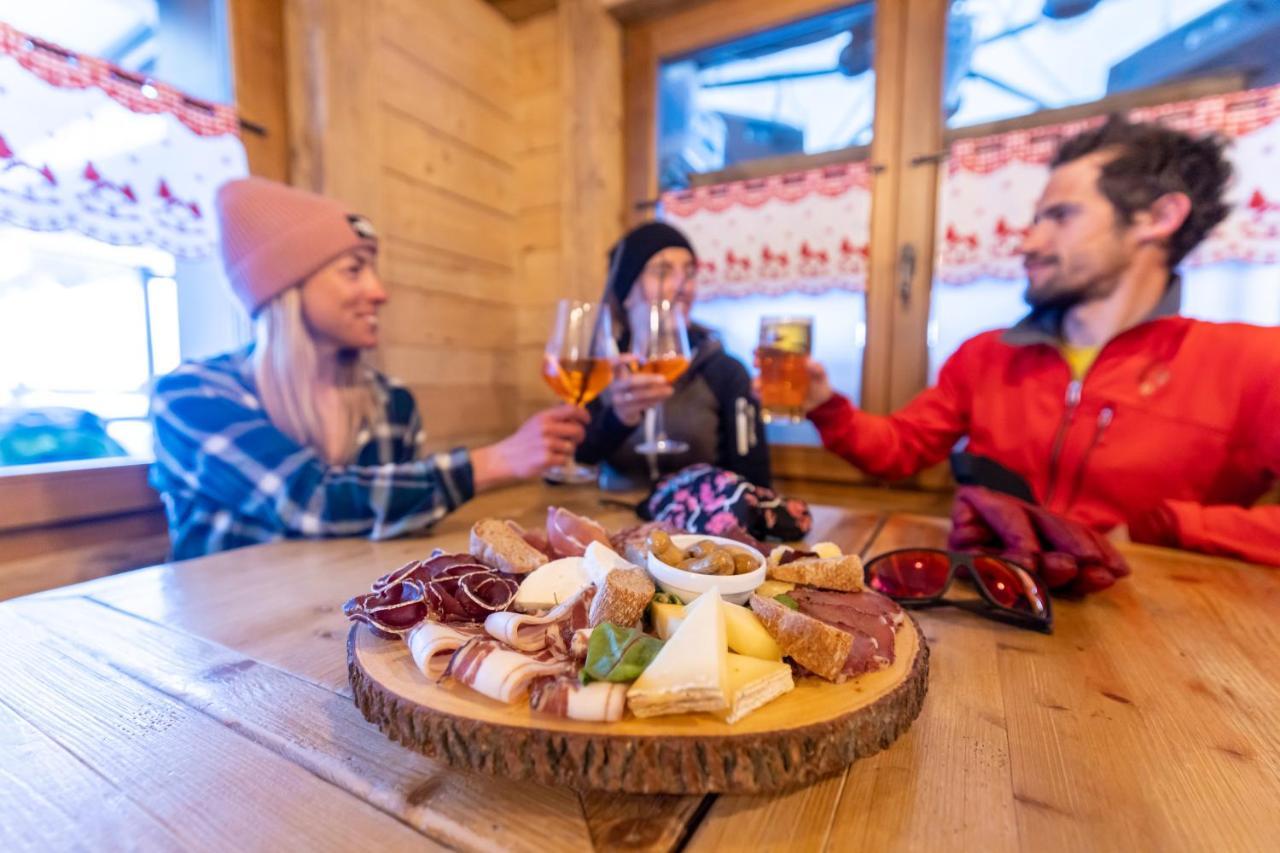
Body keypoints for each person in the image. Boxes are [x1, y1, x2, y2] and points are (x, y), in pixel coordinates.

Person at [796, 117, 1280, 566]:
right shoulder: (987, 356)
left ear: (1158, 217)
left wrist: (1165, 528)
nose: (1029, 243)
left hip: (1157, 636)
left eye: (1061, 217)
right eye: (1035, 220)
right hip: (1001, 602)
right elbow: (899, 449)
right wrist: (824, 406)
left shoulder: (1253, 364)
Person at [150, 177, 588, 559]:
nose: (379, 292)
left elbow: (394, 530)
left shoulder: (390, 403)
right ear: (288, 287)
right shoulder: (191, 397)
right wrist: (495, 461)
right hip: (211, 640)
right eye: (354, 270)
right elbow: (309, 501)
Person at [574, 221, 771, 491]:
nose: (683, 286)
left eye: (689, 273)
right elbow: (577, 460)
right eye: (663, 271)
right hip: (614, 523)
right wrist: (618, 418)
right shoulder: (602, 370)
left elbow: (755, 483)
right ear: (626, 292)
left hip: (697, 528)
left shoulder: (726, 372)